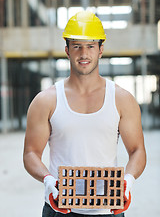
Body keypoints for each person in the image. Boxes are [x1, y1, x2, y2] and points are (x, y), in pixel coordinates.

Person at [23, 11, 146, 217]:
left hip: (108, 210)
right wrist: (48, 180)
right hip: (60, 208)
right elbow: (30, 153)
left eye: (90, 46)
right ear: (67, 50)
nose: (83, 53)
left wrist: (128, 180)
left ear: (100, 50)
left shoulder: (122, 99)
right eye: (77, 46)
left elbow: (137, 150)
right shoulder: (46, 100)